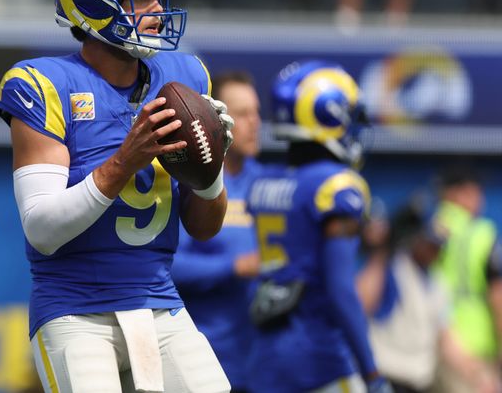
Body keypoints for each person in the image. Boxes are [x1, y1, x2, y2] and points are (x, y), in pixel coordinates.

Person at [0, 0, 232, 393]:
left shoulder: (184, 75)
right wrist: (124, 161)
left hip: (161, 301)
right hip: (76, 311)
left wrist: (211, 165)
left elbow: (205, 226)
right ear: (95, 2)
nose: (158, 9)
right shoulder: (45, 84)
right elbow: (41, 230)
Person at [245, 60, 391, 392]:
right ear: (329, 115)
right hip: (318, 357)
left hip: (266, 358)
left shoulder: (264, 183)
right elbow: (341, 289)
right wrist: (371, 372)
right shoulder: (337, 185)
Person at [171, 71, 262, 393]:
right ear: (215, 119)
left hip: (262, 365)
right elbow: (169, 265)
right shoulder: (190, 183)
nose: (254, 123)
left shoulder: (268, 184)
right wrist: (235, 267)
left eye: (256, 112)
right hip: (203, 360)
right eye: (242, 113)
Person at [357, 202, 500, 393]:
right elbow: (360, 304)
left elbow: (446, 339)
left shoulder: (437, 285)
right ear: (417, 239)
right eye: (430, 242)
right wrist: (381, 251)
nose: (434, 249)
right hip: (385, 378)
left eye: (439, 244)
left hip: (418, 383)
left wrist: (478, 376)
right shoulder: (393, 268)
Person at [431, 167, 502, 393]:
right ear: (454, 194)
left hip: (432, 346)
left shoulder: (425, 231)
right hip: (477, 352)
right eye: (473, 192)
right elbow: (498, 296)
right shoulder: (482, 234)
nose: (479, 199)